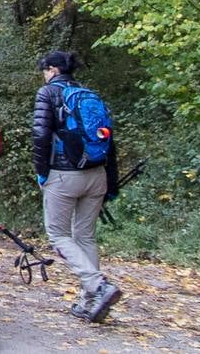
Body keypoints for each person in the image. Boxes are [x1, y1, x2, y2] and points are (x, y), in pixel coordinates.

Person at [33, 50, 121, 323]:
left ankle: (97, 285)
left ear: (52, 70)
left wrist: (41, 173)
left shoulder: (48, 94)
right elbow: (110, 141)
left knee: (58, 235)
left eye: (45, 70)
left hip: (63, 174)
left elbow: (40, 136)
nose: (44, 75)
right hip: (97, 173)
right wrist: (112, 182)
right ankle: (90, 301)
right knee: (85, 236)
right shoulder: (88, 95)